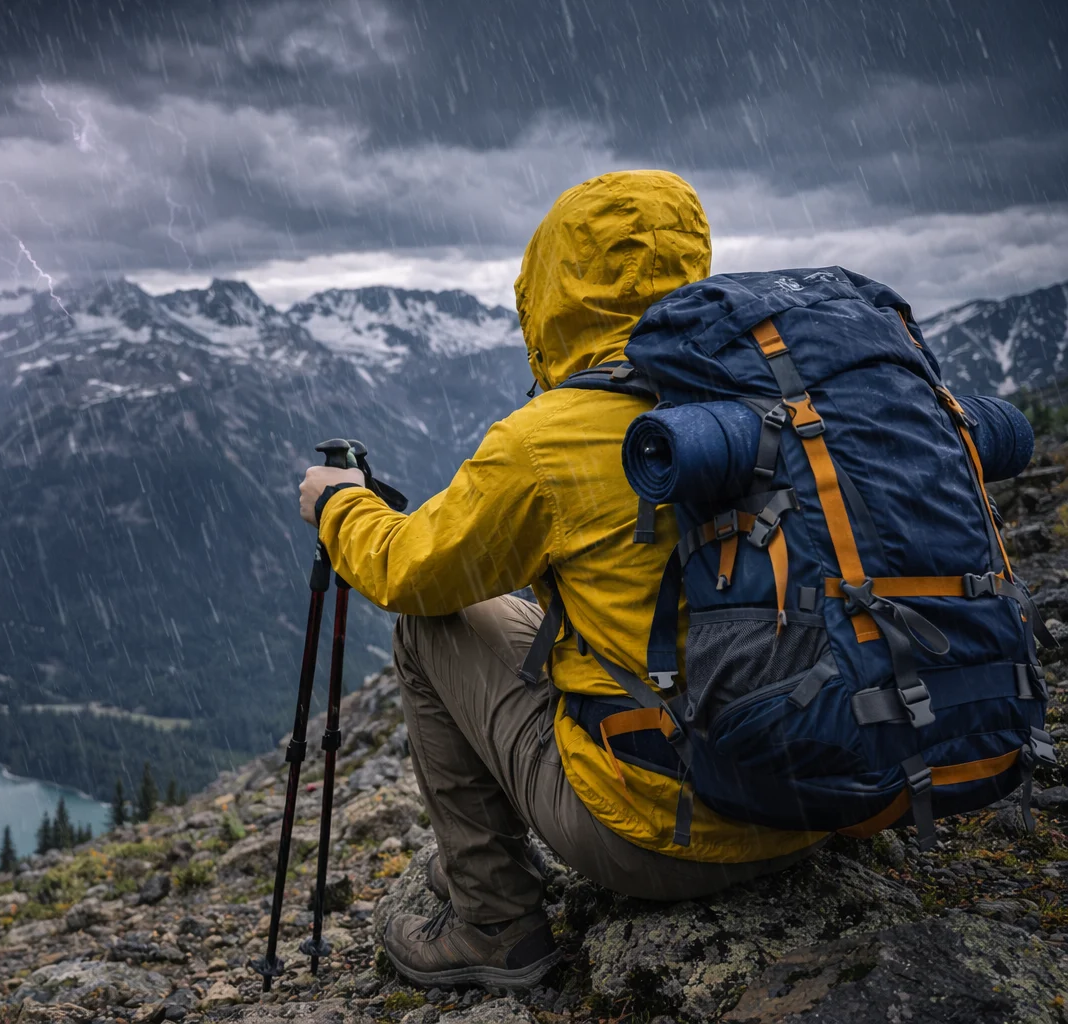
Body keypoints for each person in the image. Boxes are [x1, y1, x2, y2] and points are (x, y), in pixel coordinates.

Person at [295, 170, 826, 990]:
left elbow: (407, 571)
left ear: (553, 285)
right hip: (823, 797)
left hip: (661, 837)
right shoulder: (787, 396)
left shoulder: (551, 439)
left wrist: (339, 508)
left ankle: (494, 921)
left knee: (433, 624)